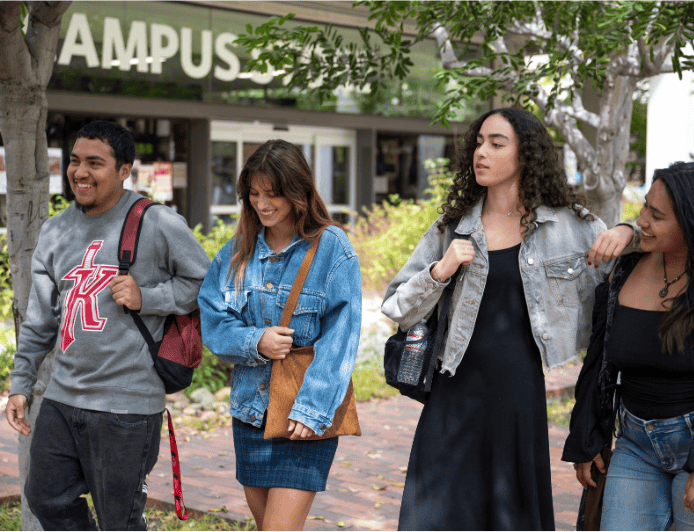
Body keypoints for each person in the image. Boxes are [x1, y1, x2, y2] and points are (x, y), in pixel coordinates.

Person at [381, 107, 638, 530]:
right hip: (454, 393)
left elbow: (637, 253)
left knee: (510, 516)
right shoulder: (452, 228)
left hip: (518, 395)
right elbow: (397, 306)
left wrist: (627, 230)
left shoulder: (567, 225)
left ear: (526, 156)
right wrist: (439, 272)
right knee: (434, 516)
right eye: (479, 142)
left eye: (496, 144)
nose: (482, 152)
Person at [5, 120, 211, 530]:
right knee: (45, 497)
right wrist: (20, 383)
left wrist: (147, 298)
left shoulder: (158, 223)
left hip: (127, 405)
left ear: (123, 170)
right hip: (63, 399)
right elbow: (40, 320)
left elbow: (205, 284)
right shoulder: (55, 230)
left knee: (120, 520)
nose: (80, 172)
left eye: (95, 163)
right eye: (75, 161)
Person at [563, 162, 694, 530]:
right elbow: (598, 363)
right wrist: (588, 437)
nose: (642, 219)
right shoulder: (625, 272)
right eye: (644, 206)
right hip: (635, 444)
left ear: (692, 223)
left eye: (656, 215)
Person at [198, 139, 362, 531]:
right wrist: (255, 341)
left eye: (272, 194)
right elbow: (212, 319)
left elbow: (342, 337)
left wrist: (312, 409)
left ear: (297, 191)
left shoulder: (332, 248)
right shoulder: (237, 251)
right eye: (254, 194)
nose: (262, 203)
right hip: (251, 416)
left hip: (303, 418)